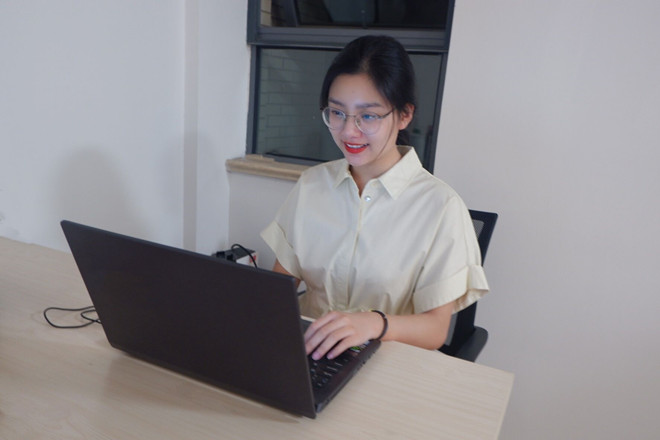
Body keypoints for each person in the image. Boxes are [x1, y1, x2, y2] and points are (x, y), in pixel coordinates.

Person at [261, 35, 488, 361]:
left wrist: (374, 323)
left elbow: (435, 331)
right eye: (337, 112)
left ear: (404, 115)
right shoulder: (312, 185)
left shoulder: (441, 207)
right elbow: (277, 290)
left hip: (385, 364)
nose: (348, 131)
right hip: (307, 353)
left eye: (368, 116)